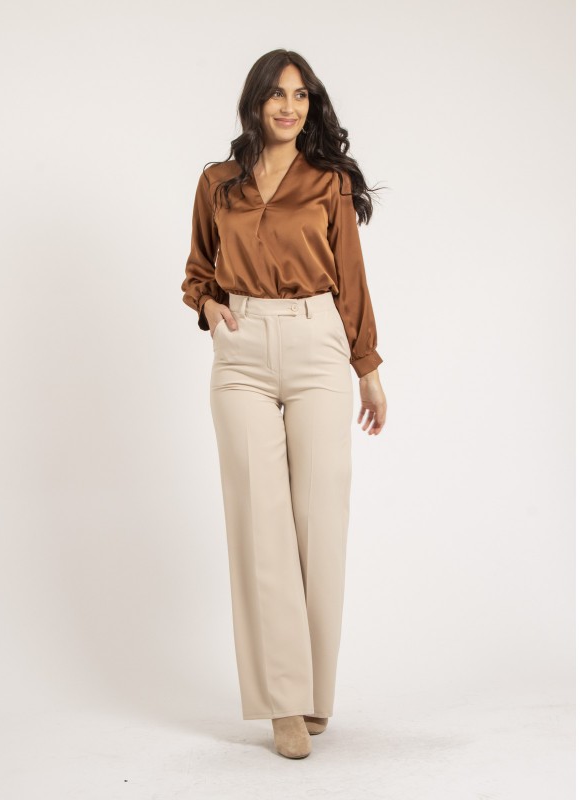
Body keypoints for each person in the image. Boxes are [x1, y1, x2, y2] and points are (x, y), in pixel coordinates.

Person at [181, 49, 388, 759]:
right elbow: (198, 269)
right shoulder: (218, 182)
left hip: (316, 343)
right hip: (241, 351)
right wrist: (208, 306)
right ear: (255, 102)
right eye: (277, 94)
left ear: (312, 105)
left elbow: (351, 277)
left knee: (320, 518)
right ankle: (282, 704)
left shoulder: (329, 182)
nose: (289, 107)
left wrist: (368, 367)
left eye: (301, 96)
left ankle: (313, 693)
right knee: (260, 523)